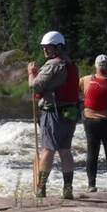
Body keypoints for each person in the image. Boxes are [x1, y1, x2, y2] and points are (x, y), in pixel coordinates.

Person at [27, 30, 81, 199]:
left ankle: (41, 189)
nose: (45, 51)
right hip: (70, 112)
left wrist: (31, 73)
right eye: (44, 48)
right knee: (65, 150)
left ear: (58, 47)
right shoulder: (71, 64)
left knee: (48, 150)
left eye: (48, 48)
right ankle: (67, 189)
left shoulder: (53, 65)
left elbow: (35, 86)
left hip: (53, 113)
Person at [79, 54, 107, 192]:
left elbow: (77, 92)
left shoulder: (85, 80)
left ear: (95, 66)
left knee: (92, 153)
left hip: (90, 121)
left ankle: (91, 185)